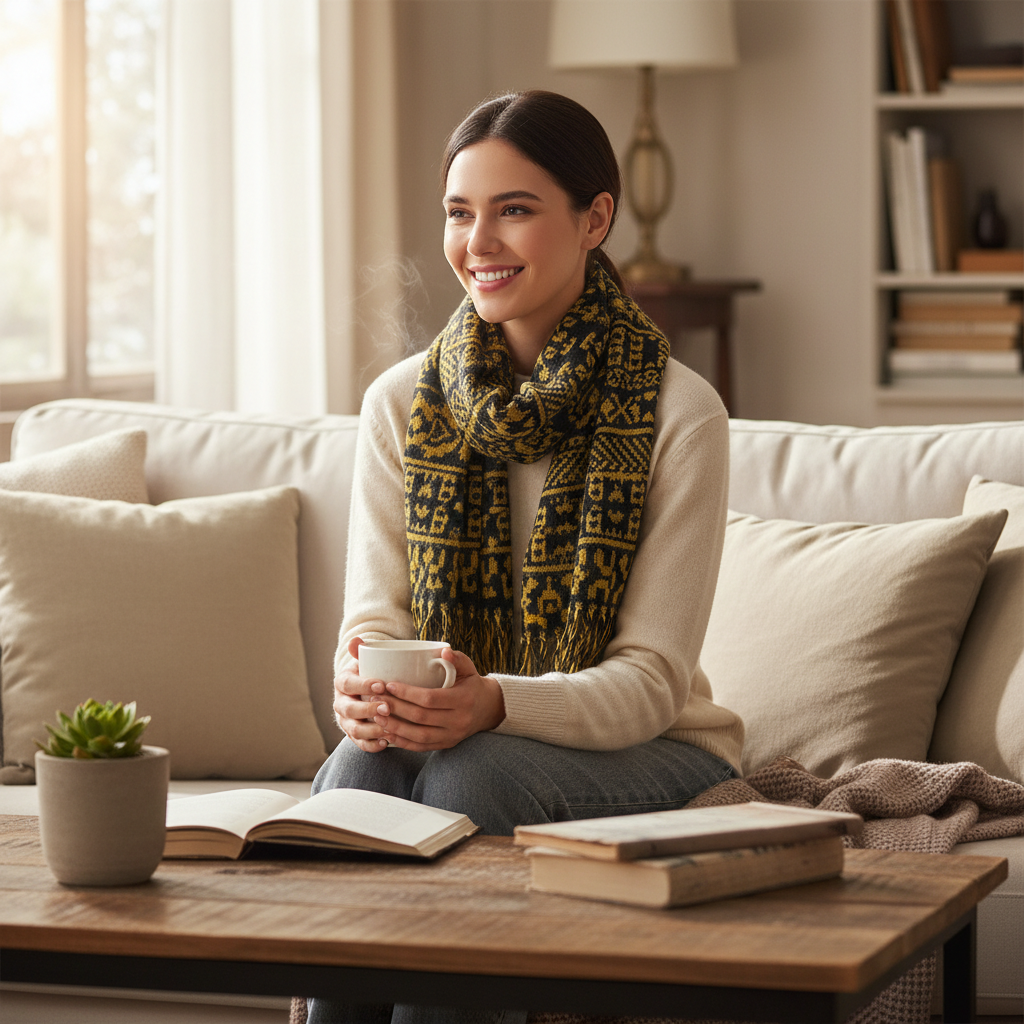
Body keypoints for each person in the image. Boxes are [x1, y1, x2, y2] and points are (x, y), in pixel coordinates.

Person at [306, 90, 744, 1024]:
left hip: (658, 752)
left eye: (515, 209)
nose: (480, 243)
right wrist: (362, 686)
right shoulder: (401, 403)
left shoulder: (677, 412)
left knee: (474, 774)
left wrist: (495, 700)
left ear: (595, 220)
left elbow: (651, 683)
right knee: (361, 767)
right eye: (461, 214)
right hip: (466, 739)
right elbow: (374, 622)